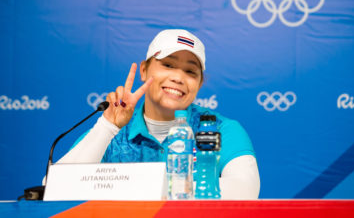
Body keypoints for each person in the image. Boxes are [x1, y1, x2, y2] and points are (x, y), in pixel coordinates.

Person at [57, 29, 260, 199]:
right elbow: (56, 186)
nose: (178, 77)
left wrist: (145, 187)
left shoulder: (220, 128)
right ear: (144, 70)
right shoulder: (114, 132)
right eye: (168, 65)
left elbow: (246, 189)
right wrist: (107, 126)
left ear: (199, 84)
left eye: (190, 72)